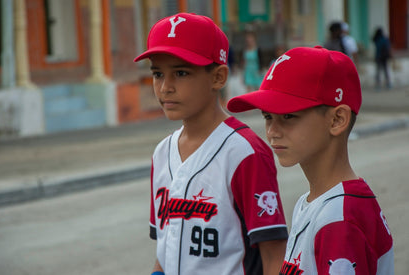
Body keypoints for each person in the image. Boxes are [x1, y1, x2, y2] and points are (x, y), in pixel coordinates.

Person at [133, 13, 288, 275]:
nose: (165, 87)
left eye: (181, 73)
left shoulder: (244, 152)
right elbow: (166, 251)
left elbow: (274, 255)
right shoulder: (162, 153)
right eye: (158, 73)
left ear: (218, 77)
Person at [227, 46, 394, 274]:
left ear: (337, 120)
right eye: (267, 117)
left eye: (288, 116)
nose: (272, 131)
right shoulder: (312, 201)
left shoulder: (340, 219)